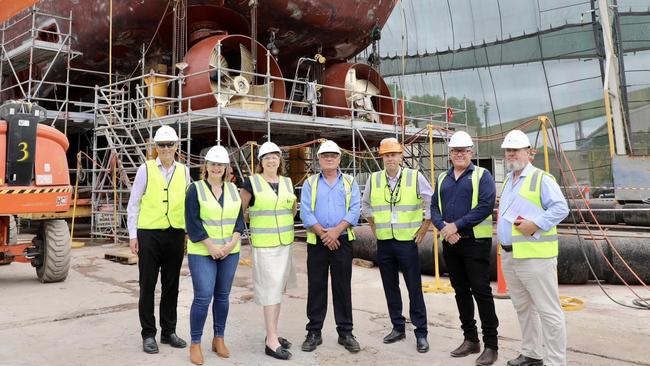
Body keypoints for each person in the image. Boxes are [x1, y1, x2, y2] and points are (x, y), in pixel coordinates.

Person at [497, 130, 569, 366]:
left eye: (515, 150)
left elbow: (560, 208)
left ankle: (555, 362)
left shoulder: (542, 179)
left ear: (529, 152)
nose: (511, 154)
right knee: (523, 308)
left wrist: (536, 224)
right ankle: (532, 353)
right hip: (510, 255)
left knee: (548, 311)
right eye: (508, 150)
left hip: (535, 258)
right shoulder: (509, 180)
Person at [431, 131, 499, 365]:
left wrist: (455, 226)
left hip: (475, 243)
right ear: (450, 154)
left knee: (481, 292)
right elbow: (433, 208)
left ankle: (491, 345)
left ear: (471, 152)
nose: (460, 154)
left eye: (464, 150)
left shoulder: (483, 175)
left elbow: (485, 206)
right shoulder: (442, 179)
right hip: (451, 244)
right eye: (455, 150)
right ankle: (470, 339)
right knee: (460, 291)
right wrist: (444, 229)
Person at [361, 137, 431, 353]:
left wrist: (423, 228)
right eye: (386, 155)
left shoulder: (414, 177)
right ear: (382, 157)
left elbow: (430, 202)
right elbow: (365, 206)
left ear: (401, 156)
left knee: (414, 288)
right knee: (390, 287)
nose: (390, 158)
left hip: (406, 242)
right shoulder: (374, 179)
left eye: (394, 154)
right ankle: (397, 327)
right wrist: (374, 228)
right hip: (384, 243)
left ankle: (421, 333)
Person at [127, 125, 190, 354]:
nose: (166, 149)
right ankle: (148, 334)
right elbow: (133, 203)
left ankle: (169, 331)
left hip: (174, 232)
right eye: (161, 145)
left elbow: (187, 202)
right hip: (149, 234)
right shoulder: (145, 169)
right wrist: (133, 235)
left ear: (176, 146)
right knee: (147, 285)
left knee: (171, 284)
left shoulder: (183, 171)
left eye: (169, 145)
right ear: (156, 147)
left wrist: (187, 232)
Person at [299, 140, 362, 353]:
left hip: (342, 240)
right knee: (316, 287)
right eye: (325, 155)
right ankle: (314, 332)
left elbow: (355, 210)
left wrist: (336, 231)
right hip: (318, 241)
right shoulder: (310, 183)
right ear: (319, 159)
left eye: (333, 155)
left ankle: (345, 332)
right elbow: (305, 212)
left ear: (339, 159)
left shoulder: (350, 182)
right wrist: (324, 234)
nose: (329, 158)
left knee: (342, 287)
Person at [184, 145, 245, 365]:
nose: (217, 168)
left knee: (222, 296)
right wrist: (210, 246)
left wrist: (231, 244)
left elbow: (239, 221)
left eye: (220, 164)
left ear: (226, 168)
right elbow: (193, 222)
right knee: (203, 297)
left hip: (230, 251)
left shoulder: (233, 190)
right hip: (202, 251)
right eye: (213, 164)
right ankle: (195, 343)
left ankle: (218, 338)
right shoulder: (195, 189)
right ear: (206, 166)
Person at [240, 141, 297, 360]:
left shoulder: (287, 182)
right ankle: (271, 341)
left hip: (285, 244)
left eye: (275, 157)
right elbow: (241, 212)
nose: (271, 160)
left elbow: (292, 210)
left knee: (277, 291)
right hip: (264, 246)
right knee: (269, 291)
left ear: (279, 160)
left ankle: (272, 333)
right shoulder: (252, 183)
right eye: (267, 158)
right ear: (261, 162)